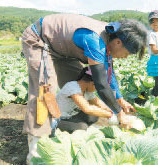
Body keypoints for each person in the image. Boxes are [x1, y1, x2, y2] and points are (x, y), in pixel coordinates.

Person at [21, 14, 147, 164]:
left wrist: (119, 99)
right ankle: (35, 152)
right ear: (118, 42)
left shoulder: (109, 40)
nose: (125, 58)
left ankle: (64, 126)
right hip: (40, 40)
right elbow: (101, 83)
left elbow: (108, 73)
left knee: (81, 86)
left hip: (63, 51)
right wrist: (119, 114)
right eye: (126, 54)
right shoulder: (95, 40)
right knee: (44, 93)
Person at [53, 66, 113, 134]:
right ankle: (59, 129)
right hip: (58, 119)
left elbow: (99, 103)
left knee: (94, 116)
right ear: (92, 83)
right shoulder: (72, 87)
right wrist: (109, 115)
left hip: (71, 117)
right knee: (82, 127)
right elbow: (87, 109)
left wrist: (113, 112)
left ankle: (75, 127)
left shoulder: (87, 91)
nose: (96, 89)